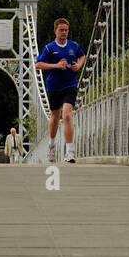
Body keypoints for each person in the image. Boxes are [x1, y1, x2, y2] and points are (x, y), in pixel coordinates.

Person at [35, 18, 85, 164]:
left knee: (67, 115)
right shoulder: (49, 48)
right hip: (54, 86)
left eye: (66, 30)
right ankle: (52, 145)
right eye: (61, 30)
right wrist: (56, 65)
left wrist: (79, 65)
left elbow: (82, 56)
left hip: (70, 84)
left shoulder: (73, 45)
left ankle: (70, 152)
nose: (64, 32)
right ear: (55, 30)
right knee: (55, 116)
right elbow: (38, 64)